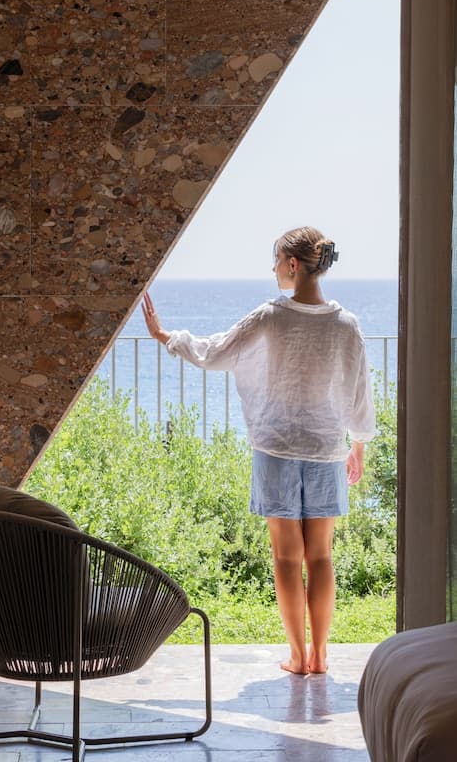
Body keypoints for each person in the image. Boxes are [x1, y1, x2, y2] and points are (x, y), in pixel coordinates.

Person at [141, 226, 375, 676]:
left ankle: (297, 656)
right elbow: (360, 389)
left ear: (293, 264)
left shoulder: (270, 317)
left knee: (286, 558)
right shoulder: (346, 325)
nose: (273, 268)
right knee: (321, 556)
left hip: (277, 449)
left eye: (276, 260)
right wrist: (358, 444)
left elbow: (215, 352)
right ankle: (321, 656)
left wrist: (166, 336)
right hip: (326, 449)